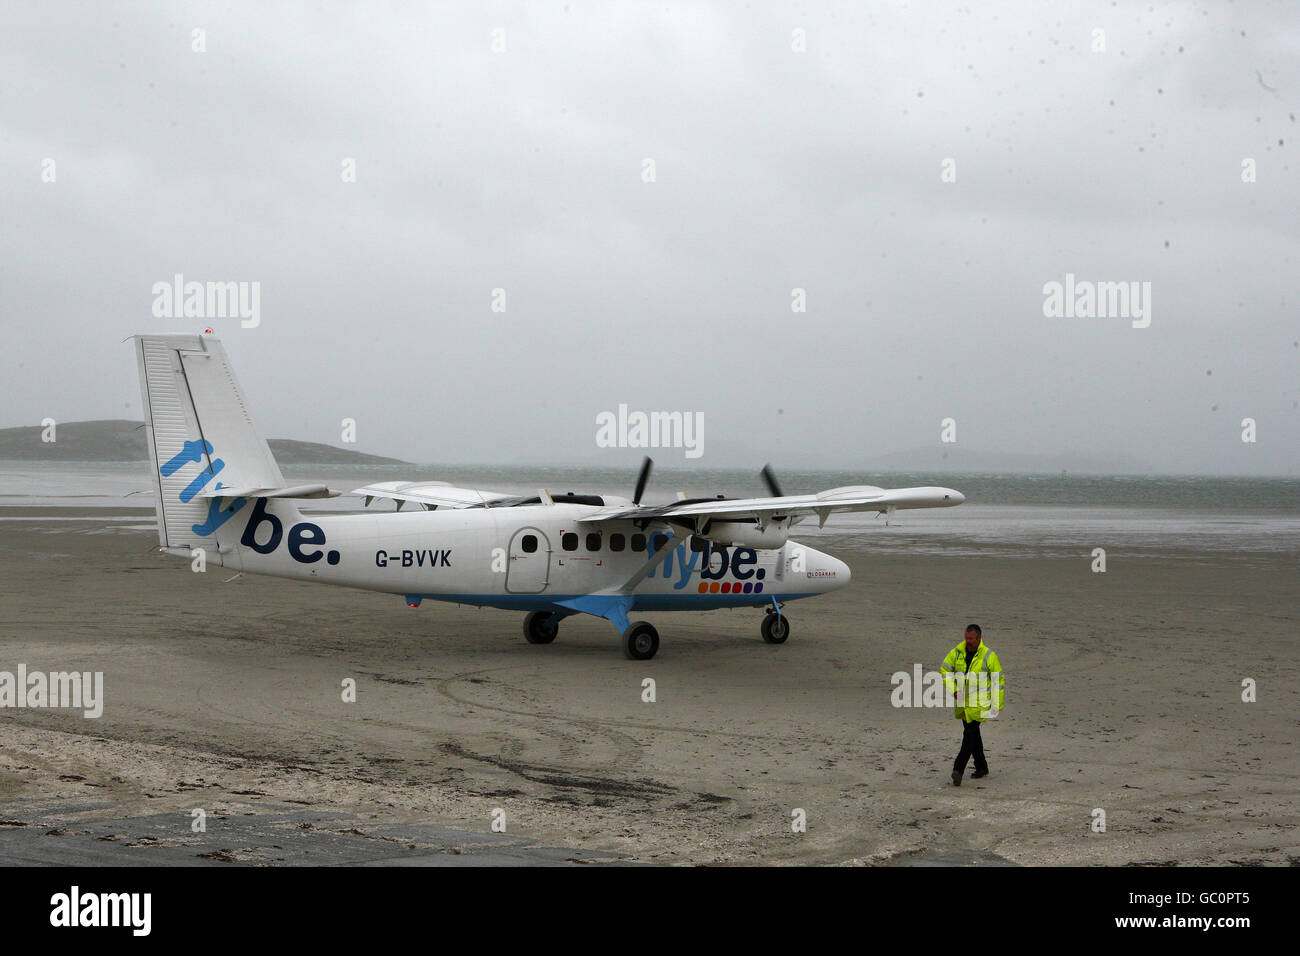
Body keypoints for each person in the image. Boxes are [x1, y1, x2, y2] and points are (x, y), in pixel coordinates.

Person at [940, 624, 1004, 786]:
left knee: (969, 734)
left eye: (971, 639)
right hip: (963, 703)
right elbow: (945, 670)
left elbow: (998, 681)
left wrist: (997, 705)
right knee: (973, 734)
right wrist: (953, 690)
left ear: (979, 638)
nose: (968, 641)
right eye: (966, 638)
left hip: (980, 704)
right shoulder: (957, 652)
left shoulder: (989, 655)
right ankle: (982, 766)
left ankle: (958, 769)